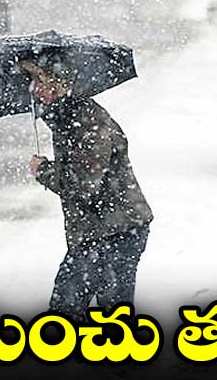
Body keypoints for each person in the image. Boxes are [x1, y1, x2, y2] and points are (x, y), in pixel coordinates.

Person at [18, 52, 153, 321]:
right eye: (31, 81)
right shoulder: (67, 117)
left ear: (59, 81)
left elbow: (83, 184)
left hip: (116, 231)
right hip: (99, 230)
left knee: (70, 310)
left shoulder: (88, 120)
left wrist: (43, 170)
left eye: (40, 80)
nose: (35, 89)